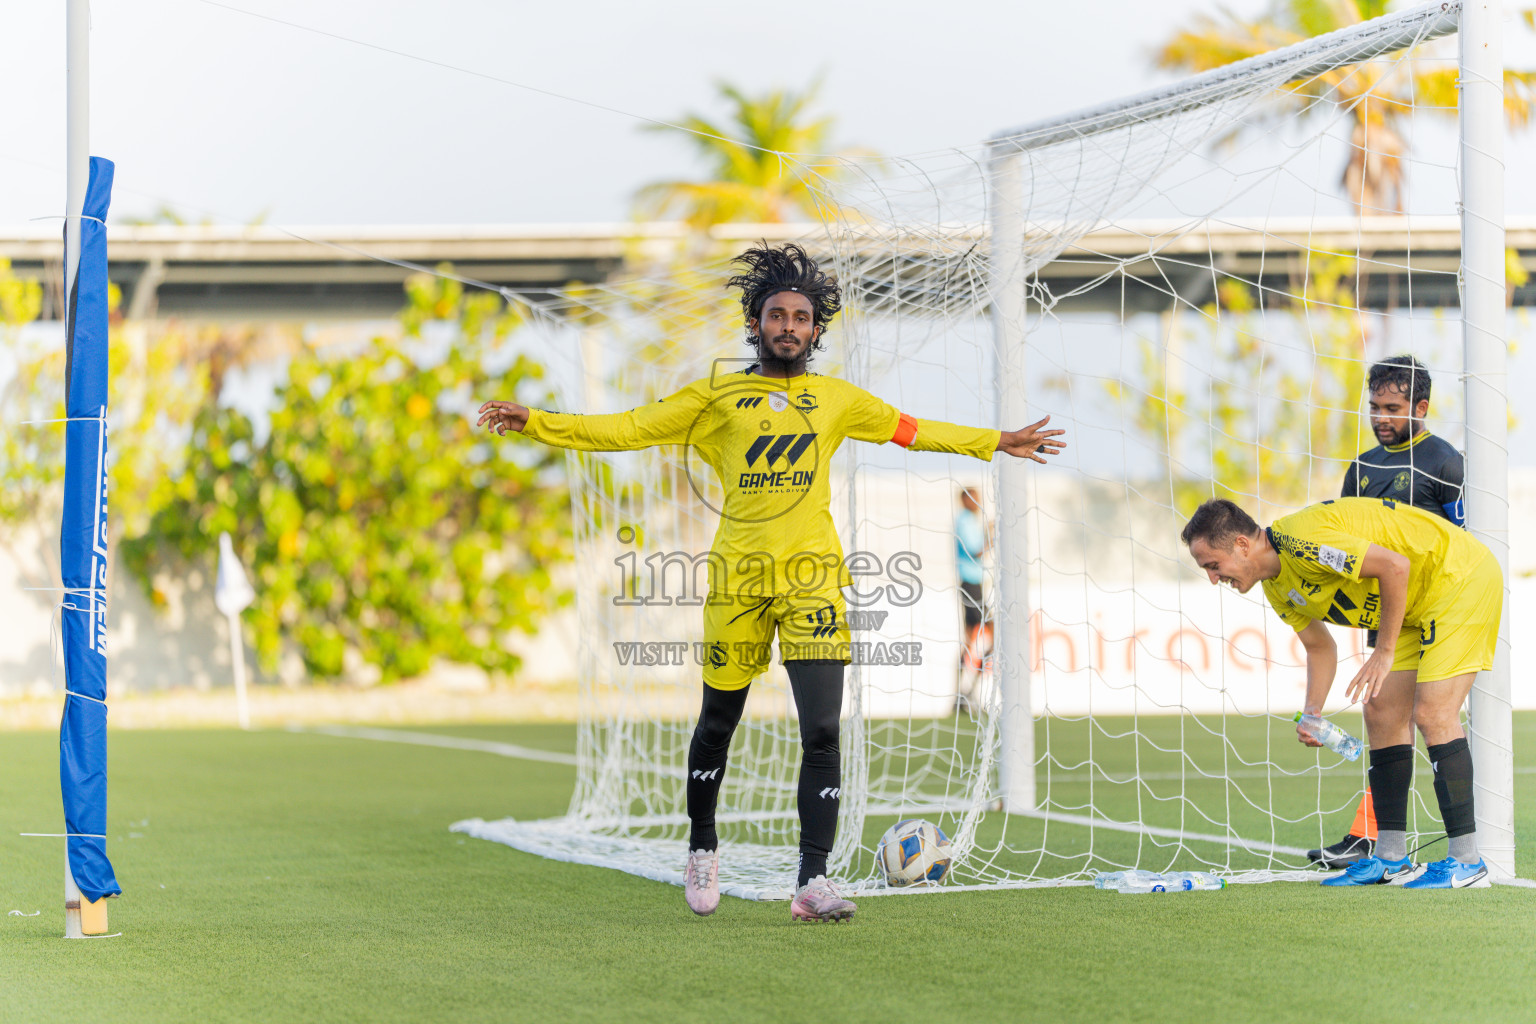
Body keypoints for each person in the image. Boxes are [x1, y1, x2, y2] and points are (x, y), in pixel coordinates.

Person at [478, 243, 1066, 921]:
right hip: (737, 583)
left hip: (813, 582)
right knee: (717, 723)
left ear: (817, 331)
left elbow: (913, 431)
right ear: (754, 325)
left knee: (821, 730)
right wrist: (540, 423)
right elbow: (631, 428)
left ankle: (812, 882)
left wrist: (996, 441)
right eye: (775, 314)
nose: (788, 325)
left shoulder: (838, 400)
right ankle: (702, 847)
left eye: (800, 317)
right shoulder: (715, 398)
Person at [1182, 496, 1499, 888]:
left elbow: (1395, 566)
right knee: (1380, 712)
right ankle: (1391, 858)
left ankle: (1467, 862)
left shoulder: (1302, 541)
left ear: (1242, 546)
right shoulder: (1277, 587)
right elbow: (1320, 647)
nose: (1214, 578)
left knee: (1434, 713)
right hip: (1411, 603)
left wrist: (1383, 653)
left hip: (1456, 579)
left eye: (1213, 566)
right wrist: (1312, 712)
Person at [1313, 355, 1466, 868]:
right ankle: (1372, 838)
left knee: (1435, 717)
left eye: (1393, 408)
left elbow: (1467, 544)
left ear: (1421, 407)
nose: (1381, 417)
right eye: (1375, 406)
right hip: (1390, 613)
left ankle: (1466, 851)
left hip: (1444, 608)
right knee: (1381, 713)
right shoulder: (1362, 468)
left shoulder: (1446, 463)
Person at [954, 487, 992, 710]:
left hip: (975, 583)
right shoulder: (964, 520)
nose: (978, 502)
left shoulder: (971, 520)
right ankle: (965, 693)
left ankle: (963, 694)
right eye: (973, 498)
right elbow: (974, 551)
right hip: (970, 584)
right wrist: (995, 539)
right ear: (964, 500)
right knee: (989, 634)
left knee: (971, 640)